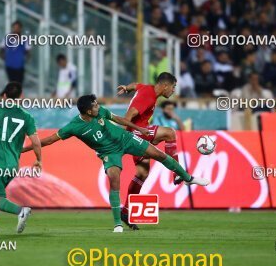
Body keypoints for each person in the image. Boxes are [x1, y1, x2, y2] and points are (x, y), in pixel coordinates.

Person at [22, 94, 209, 232]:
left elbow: (117, 118)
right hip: (108, 152)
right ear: (88, 111)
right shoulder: (74, 126)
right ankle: (117, 224)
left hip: (125, 138)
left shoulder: (100, 111)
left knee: (158, 154)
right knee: (114, 180)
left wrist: (138, 129)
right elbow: (49, 140)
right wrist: (23, 149)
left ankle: (188, 177)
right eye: (95, 106)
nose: (98, 107)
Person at [116, 73, 185, 230]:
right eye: (173, 87)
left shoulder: (147, 89)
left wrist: (127, 88)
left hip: (137, 133)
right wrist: (126, 137)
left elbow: (136, 85)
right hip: (136, 133)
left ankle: (125, 211)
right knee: (170, 133)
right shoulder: (147, 97)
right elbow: (128, 116)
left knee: (142, 174)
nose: (174, 91)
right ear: (165, 86)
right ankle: (177, 171)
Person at [0, 82, 41, 240]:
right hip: (13, 165)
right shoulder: (27, 117)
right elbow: (35, 141)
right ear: (21, 97)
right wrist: (39, 159)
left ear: (4, 96)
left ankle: (21, 211)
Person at [0, 21, 30, 85]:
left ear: (21, 29)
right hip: (9, 64)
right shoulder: (7, 38)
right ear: (12, 28)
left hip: (20, 65)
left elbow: (28, 50)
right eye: (14, 28)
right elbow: (2, 48)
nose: (16, 29)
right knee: (12, 83)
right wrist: (3, 56)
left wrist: (26, 58)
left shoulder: (25, 39)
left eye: (18, 28)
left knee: (19, 83)